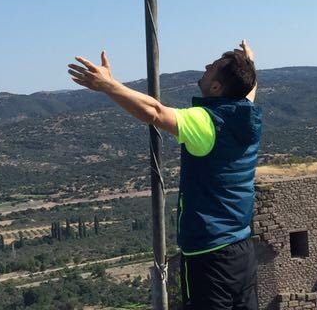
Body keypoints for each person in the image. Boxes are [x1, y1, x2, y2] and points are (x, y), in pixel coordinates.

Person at [68, 39, 262, 310]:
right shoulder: (248, 116)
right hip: (242, 249)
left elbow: (155, 112)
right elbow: (247, 90)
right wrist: (249, 64)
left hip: (210, 256)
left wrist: (108, 85)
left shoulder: (207, 122)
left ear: (217, 87)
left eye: (214, 67)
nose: (207, 66)